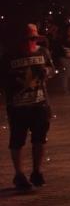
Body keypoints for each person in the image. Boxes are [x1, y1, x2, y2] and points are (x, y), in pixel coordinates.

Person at [4, 24, 54, 191]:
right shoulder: (9, 55)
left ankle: (37, 172)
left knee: (39, 139)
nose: (31, 42)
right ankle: (19, 175)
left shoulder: (43, 52)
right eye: (27, 39)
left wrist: (46, 72)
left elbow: (52, 70)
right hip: (18, 106)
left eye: (33, 38)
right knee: (17, 140)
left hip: (39, 104)